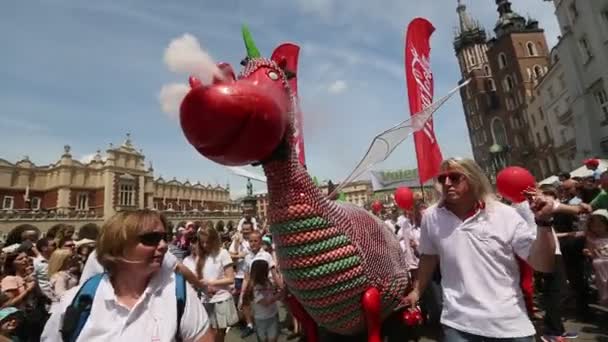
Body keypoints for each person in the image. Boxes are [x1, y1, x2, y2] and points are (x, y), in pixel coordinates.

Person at [404, 158, 556, 341]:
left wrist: (544, 223)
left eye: (454, 177)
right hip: (457, 325)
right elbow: (428, 256)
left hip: (509, 325)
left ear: (473, 178)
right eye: (442, 179)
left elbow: (543, 265)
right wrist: (417, 291)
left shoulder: (505, 214)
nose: (447, 183)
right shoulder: (431, 217)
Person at [41, 209, 213, 341]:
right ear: (118, 245)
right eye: (150, 238)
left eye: (164, 237)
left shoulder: (177, 293)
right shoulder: (77, 301)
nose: (163, 245)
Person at [183, 226, 238, 342]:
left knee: (219, 334)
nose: (204, 245)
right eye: (202, 242)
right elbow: (199, 279)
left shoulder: (223, 253)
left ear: (214, 240)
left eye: (207, 242)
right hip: (205, 300)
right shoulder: (200, 257)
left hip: (221, 299)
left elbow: (230, 278)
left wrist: (210, 283)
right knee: (209, 333)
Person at [243, 260, 282, 342]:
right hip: (261, 319)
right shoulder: (254, 287)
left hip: (273, 315)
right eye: (266, 269)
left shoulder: (267, 282)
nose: (268, 271)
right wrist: (279, 295)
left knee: (273, 338)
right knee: (263, 339)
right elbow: (265, 302)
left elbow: (272, 293)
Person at [583, 209, 608, 306]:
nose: (597, 228)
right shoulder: (592, 239)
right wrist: (588, 252)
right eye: (594, 226)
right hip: (600, 265)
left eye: (600, 225)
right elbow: (591, 252)